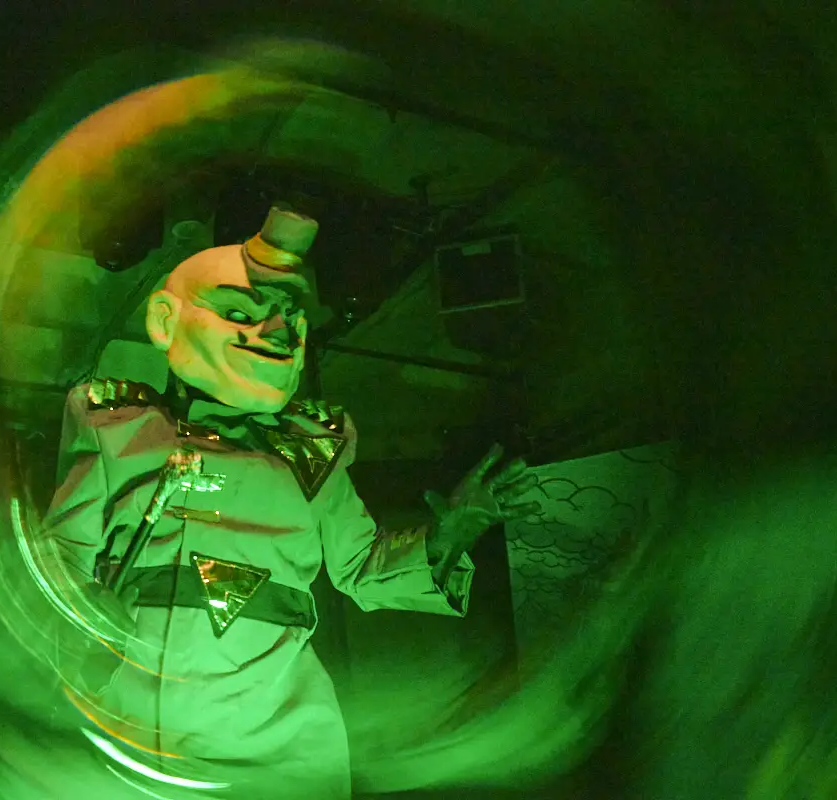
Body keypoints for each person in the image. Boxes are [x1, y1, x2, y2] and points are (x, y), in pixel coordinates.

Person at [41, 205, 541, 799]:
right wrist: (79, 622)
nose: (276, 332)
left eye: (290, 317)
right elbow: (60, 558)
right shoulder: (119, 430)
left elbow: (362, 567)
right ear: (166, 321)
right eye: (240, 314)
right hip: (140, 710)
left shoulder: (311, 450)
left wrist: (452, 533)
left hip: (278, 726)